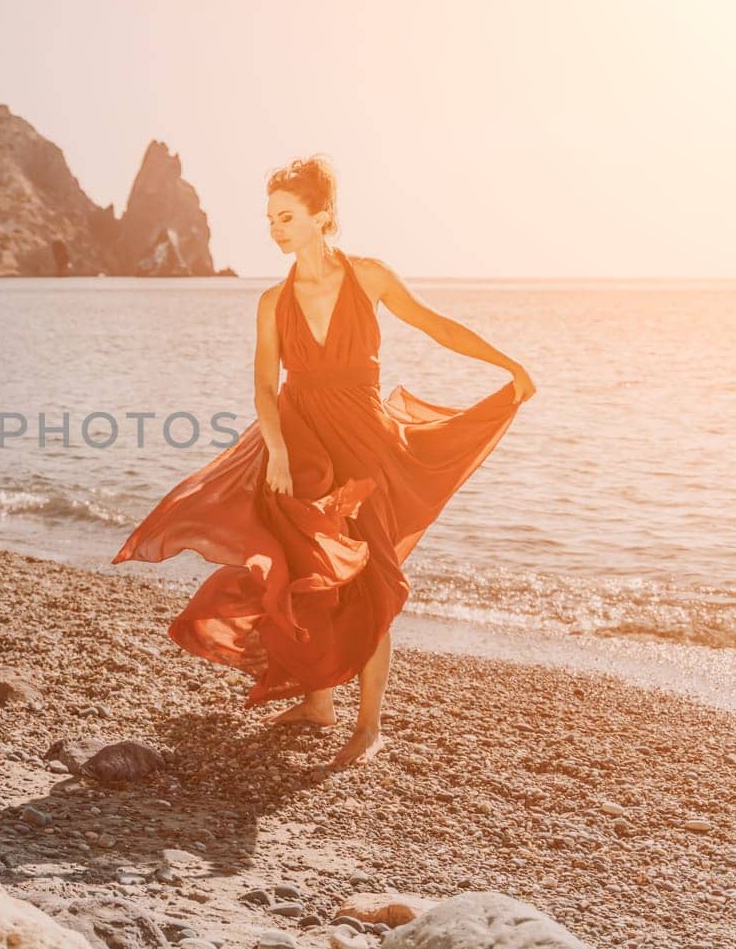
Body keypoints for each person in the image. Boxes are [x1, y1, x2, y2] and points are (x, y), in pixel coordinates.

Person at [111, 155, 536, 769]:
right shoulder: (270, 301)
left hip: (365, 445)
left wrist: (509, 368)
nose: (275, 229)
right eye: (270, 219)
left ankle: (369, 724)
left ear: (322, 216)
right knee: (311, 568)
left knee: (370, 573)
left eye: (286, 217)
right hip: (300, 447)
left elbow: (438, 326)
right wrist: (278, 451)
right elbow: (264, 385)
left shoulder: (369, 278)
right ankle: (319, 704)